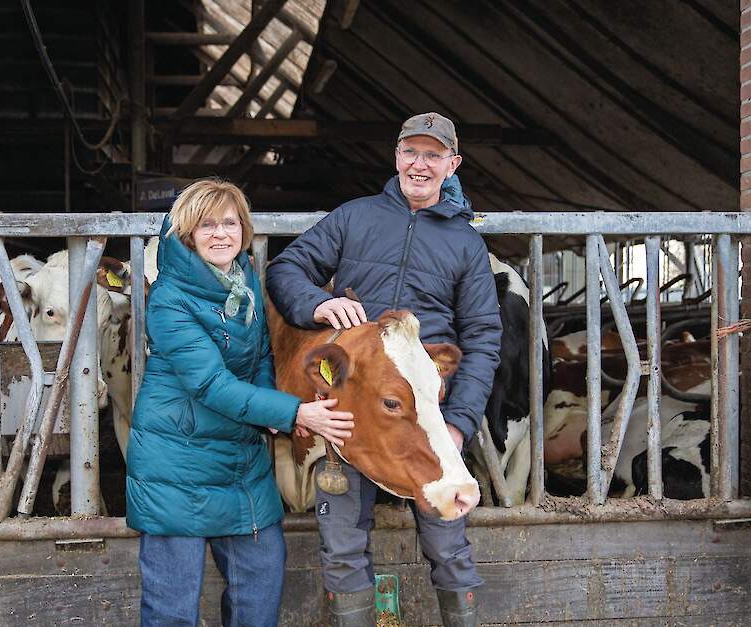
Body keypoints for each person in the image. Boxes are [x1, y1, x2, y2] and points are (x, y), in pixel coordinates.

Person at [266, 113, 502, 627]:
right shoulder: (355, 217)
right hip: (355, 404)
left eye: (433, 155)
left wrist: (458, 422)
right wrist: (317, 306)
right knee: (342, 545)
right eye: (411, 152)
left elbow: (483, 337)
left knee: (448, 542)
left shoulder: (466, 243)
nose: (420, 165)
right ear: (396, 156)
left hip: (424, 411)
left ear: (452, 164)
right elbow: (285, 268)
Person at [126, 179, 355, 627]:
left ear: (244, 230)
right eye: (206, 224)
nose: (220, 234)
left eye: (229, 223)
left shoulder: (244, 279)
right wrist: (291, 412)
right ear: (186, 232)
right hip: (177, 466)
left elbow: (261, 354)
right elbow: (211, 385)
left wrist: (272, 410)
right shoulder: (170, 300)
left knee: (261, 587)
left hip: (241, 464)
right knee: (172, 609)